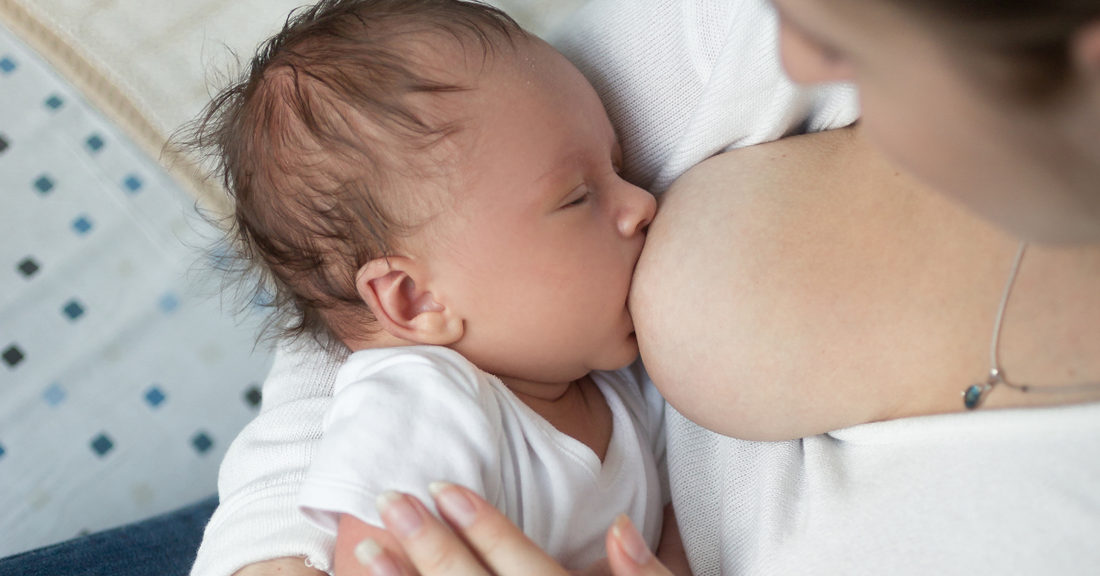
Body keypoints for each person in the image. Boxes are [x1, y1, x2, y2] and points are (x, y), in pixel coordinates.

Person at [338, 0, 1100, 574]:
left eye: (848, 37)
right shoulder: (444, 381)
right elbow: (371, 216)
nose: (796, 57)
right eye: (580, 195)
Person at [189, 0, 860, 575]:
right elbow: (378, 553)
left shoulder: (619, 392)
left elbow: (681, 537)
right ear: (415, 300)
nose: (641, 205)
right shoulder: (426, 404)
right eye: (576, 198)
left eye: (619, 167)